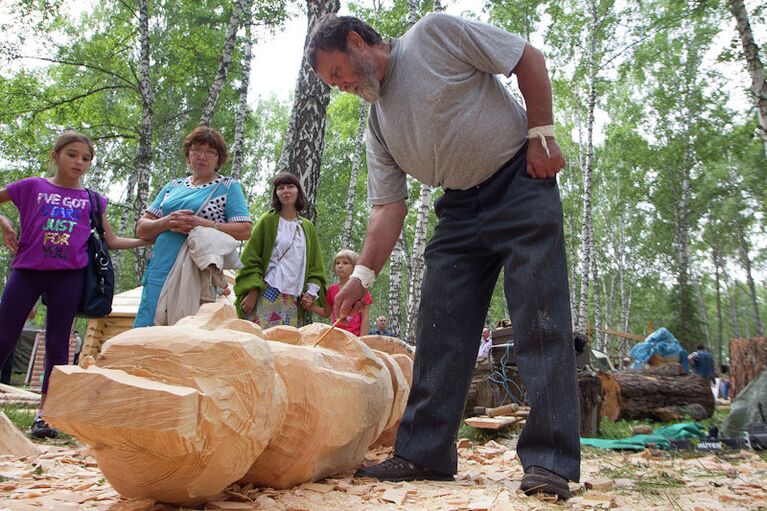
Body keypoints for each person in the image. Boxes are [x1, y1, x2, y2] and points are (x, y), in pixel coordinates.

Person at [307, 13, 577, 499]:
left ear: (355, 42)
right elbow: (388, 207)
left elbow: (526, 58)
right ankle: (424, 453)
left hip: (520, 180)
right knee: (439, 326)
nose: (340, 86)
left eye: (337, 74)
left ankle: (551, 462)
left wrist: (541, 134)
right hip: (458, 208)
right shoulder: (378, 124)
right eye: (333, 83)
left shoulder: (432, 35)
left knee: (539, 320)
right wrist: (362, 276)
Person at [0, 130, 147, 438]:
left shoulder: (92, 200)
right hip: (27, 270)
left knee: (57, 344)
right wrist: (4, 222)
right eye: (72, 155)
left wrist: (152, 236)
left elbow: (112, 240)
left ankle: (47, 415)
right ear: (55, 156)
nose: (80, 162)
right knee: (4, 335)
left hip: (69, 276)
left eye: (86, 158)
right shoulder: (31, 187)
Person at [134, 126, 253, 327]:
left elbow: (244, 230)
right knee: (148, 322)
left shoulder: (227, 187)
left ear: (219, 159)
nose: (202, 156)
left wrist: (203, 224)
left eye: (210, 152)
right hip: (160, 265)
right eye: (197, 149)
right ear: (188, 154)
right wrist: (167, 221)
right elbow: (142, 228)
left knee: (186, 326)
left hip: (196, 269)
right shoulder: (173, 186)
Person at [234, 173, 326, 328]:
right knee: (264, 339)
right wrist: (253, 290)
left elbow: (315, 266)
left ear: (298, 191)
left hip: (292, 298)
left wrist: (311, 293)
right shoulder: (268, 220)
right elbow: (251, 257)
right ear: (276, 193)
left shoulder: (307, 227)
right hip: (267, 291)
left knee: (285, 343)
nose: (286, 191)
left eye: (290, 186)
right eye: (280, 188)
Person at [304, 249, 372, 336]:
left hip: (355, 337)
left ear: (355, 267)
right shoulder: (332, 289)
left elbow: (365, 317)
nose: (340, 266)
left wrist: (362, 339)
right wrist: (311, 306)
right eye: (337, 263)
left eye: (345, 263)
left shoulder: (360, 290)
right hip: (336, 336)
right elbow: (326, 313)